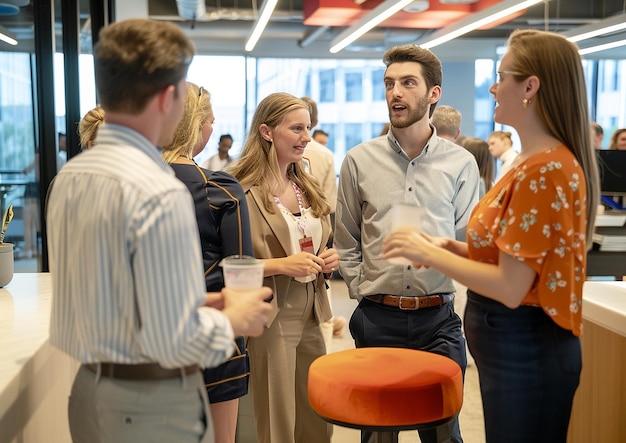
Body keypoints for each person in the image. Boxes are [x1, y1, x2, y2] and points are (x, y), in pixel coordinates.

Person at [46, 18, 272, 443]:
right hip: (151, 405)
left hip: (89, 392)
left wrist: (198, 300)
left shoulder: (71, 178)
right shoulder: (156, 191)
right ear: (169, 97)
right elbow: (174, 341)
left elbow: (116, 295)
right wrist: (234, 319)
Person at [383, 29, 600, 443]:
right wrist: (449, 246)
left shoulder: (545, 169)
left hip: (528, 347)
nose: (492, 86)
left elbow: (511, 286)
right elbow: (514, 257)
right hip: (514, 347)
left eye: (502, 76)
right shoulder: (531, 161)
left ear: (530, 87)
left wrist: (427, 252)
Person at [334, 44, 480, 443]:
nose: (395, 92)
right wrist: (361, 287)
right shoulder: (358, 160)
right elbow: (345, 236)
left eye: (408, 83)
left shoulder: (461, 164)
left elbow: (470, 240)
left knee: (444, 432)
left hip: (439, 321)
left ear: (433, 94)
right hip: (377, 317)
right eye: (389, 84)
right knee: (379, 432)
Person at [228, 92, 339, 443]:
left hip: (312, 308)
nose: (307, 137)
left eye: (307, 128)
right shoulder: (241, 191)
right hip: (273, 312)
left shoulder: (304, 183)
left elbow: (316, 236)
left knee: (316, 411)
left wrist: (329, 256)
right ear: (266, 132)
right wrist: (281, 265)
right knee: (277, 416)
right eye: (296, 129)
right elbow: (229, 265)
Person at [161, 83, 253, 443]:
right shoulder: (220, 189)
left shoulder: (129, 184)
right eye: (210, 120)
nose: (212, 129)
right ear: (194, 124)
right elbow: (241, 276)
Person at [300, 96, 345, 344]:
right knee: (320, 291)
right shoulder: (325, 155)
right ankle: (322, 346)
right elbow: (328, 204)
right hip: (316, 232)